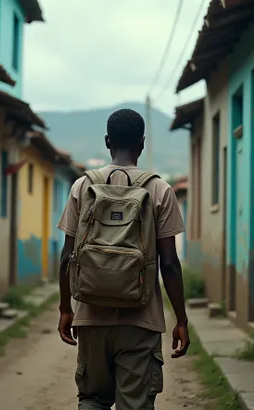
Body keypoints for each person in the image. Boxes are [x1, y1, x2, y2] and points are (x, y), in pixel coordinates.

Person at [57, 108, 190, 409]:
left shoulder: (82, 187)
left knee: (92, 399)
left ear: (107, 141)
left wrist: (66, 308)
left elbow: (68, 256)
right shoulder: (160, 190)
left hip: (91, 317)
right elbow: (169, 263)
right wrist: (181, 319)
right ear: (141, 144)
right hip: (140, 322)